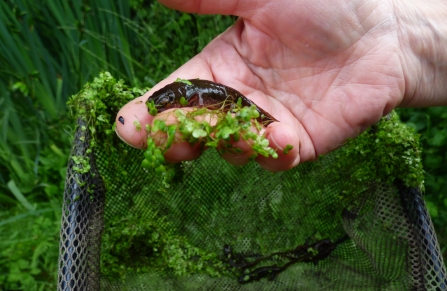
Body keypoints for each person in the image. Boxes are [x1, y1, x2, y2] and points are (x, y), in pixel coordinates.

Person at [116, 0, 447, 172]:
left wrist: (392, 37)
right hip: (221, 97)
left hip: (228, 99)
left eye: (166, 101)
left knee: (248, 120)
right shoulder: (187, 93)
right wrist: (398, 40)